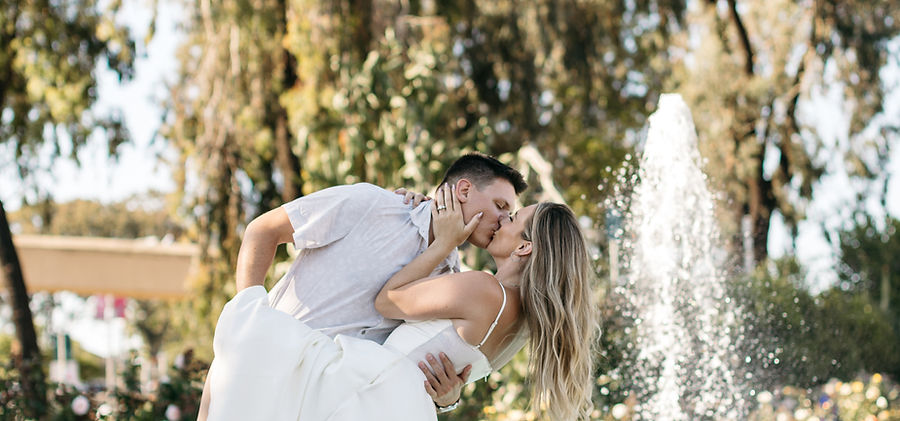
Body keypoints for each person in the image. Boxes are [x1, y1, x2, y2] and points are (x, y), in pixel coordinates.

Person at [206, 184, 597, 420]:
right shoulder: (520, 325)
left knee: (252, 354)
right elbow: (446, 373)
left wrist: (443, 243)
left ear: (525, 247)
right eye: (503, 210)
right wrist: (449, 399)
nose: (502, 221)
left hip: (358, 394)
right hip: (396, 407)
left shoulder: (484, 290)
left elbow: (389, 301)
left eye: (512, 219)